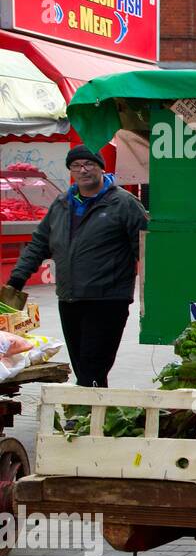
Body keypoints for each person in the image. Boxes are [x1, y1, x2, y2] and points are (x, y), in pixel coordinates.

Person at [1, 145, 147, 387]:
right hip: (69, 298)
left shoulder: (123, 204)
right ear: (70, 170)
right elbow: (39, 243)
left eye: (89, 164)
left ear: (101, 167)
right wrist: (17, 279)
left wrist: (151, 292)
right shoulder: (62, 204)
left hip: (107, 299)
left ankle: (83, 411)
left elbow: (145, 248)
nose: (83, 170)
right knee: (82, 363)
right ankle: (93, 414)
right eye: (76, 166)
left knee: (93, 363)